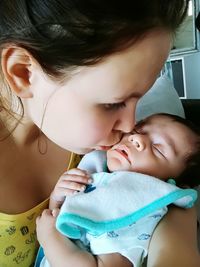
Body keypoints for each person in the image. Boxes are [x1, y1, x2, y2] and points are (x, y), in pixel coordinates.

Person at [0, 1, 198, 267]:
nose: (130, 128)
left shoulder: (100, 155)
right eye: (112, 104)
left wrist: (176, 225)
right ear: (23, 73)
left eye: (139, 99)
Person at [36, 113, 200, 267]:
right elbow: (60, 218)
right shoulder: (97, 171)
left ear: (168, 184)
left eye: (158, 149)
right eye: (137, 130)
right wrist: (57, 199)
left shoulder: (139, 215)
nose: (137, 138)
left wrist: (49, 238)